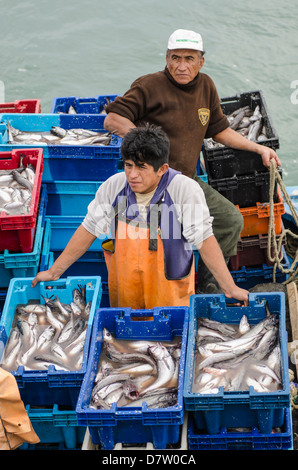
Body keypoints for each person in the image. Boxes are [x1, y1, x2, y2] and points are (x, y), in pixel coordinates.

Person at [103, 28, 281, 294]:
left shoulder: (206, 85)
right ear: (166, 59)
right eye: (175, 58)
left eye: (189, 58)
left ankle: (208, 283)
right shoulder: (149, 85)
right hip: (150, 184)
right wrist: (143, 142)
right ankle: (167, 287)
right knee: (163, 241)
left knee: (230, 221)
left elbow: (219, 130)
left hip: (187, 180)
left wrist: (258, 148)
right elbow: (113, 119)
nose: (182, 65)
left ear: (201, 61)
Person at [32, 125, 249, 308]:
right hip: (125, 290)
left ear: (162, 169)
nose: (132, 175)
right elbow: (89, 228)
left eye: (142, 167)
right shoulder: (114, 186)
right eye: (128, 165)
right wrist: (53, 272)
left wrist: (229, 288)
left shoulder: (184, 190)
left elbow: (204, 239)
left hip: (171, 292)